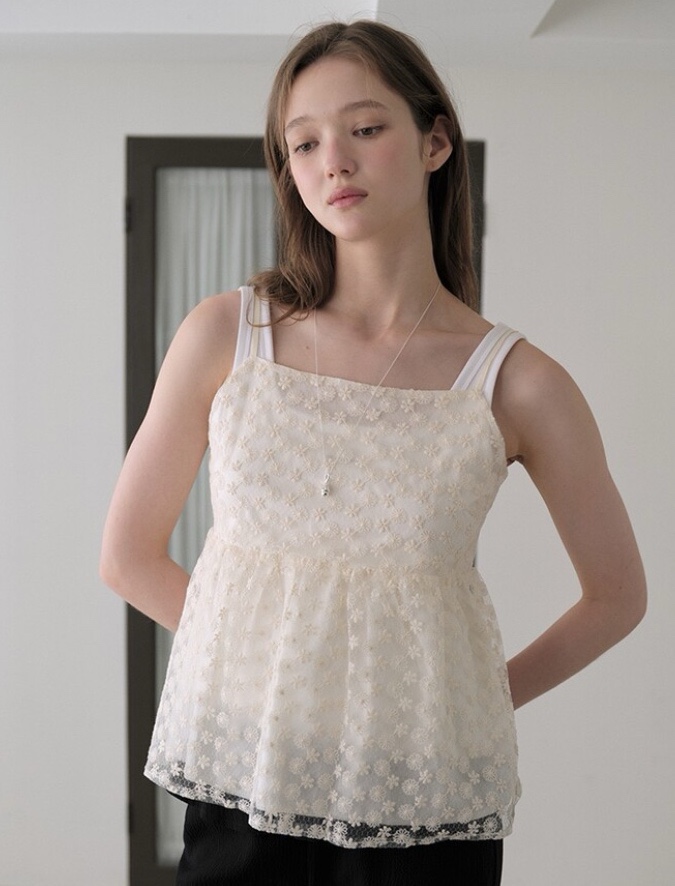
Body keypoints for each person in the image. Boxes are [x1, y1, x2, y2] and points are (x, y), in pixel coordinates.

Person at [100, 19, 646, 886]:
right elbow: (128, 557)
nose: (334, 162)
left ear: (434, 142)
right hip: (249, 774)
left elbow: (616, 597)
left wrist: (462, 702)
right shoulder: (225, 334)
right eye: (304, 143)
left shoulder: (518, 383)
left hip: (422, 797)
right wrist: (272, 680)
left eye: (363, 128)